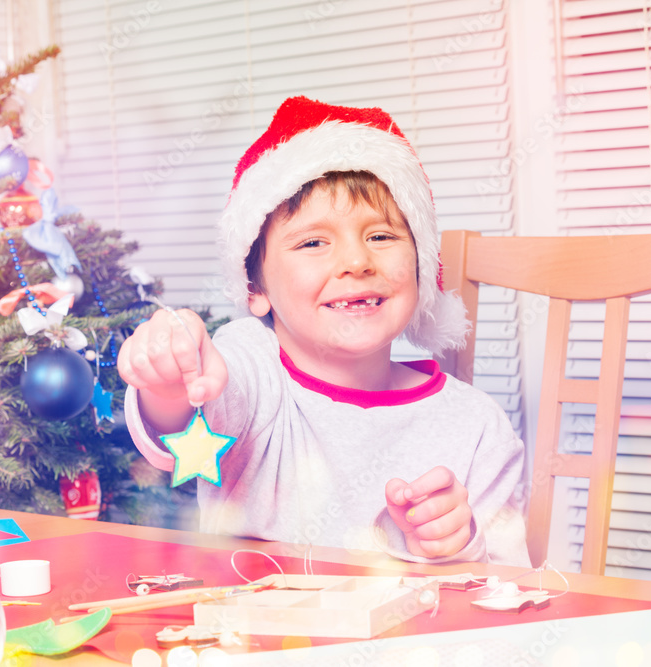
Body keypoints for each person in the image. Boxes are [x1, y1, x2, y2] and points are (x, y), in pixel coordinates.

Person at [119, 96, 530, 566]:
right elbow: (194, 413)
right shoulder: (252, 368)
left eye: (381, 236)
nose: (357, 261)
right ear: (255, 288)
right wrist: (172, 378)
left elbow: (508, 589)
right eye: (314, 242)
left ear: (421, 266)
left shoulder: (475, 425)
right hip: (251, 637)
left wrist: (462, 544)